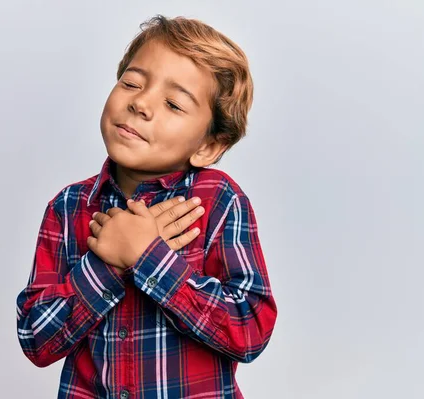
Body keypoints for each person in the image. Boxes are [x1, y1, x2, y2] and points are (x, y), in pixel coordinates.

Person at [16, 14, 278, 399]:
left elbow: (250, 328)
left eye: (173, 103)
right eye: (132, 83)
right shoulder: (68, 207)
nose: (140, 103)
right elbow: (36, 339)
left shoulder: (219, 201)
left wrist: (148, 256)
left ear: (208, 146)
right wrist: (107, 266)